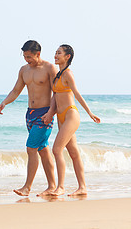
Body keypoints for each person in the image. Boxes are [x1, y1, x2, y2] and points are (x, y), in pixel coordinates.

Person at [0, 40, 57, 196]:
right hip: (30, 115)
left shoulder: (50, 68)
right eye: (24, 56)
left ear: (38, 54)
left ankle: (27, 187)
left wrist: (51, 112)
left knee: (31, 148)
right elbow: (16, 90)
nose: (27, 60)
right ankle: (52, 186)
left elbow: (57, 93)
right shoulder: (24, 70)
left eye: (29, 57)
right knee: (43, 150)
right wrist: (5, 102)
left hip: (45, 114)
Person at [50, 44, 100, 196]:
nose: (55, 55)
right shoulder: (58, 75)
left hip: (71, 114)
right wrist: (50, 113)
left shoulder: (68, 74)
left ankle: (60, 187)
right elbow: (55, 97)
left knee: (56, 149)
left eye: (59, 53)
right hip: (61, 116)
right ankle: (82, 187)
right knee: (73, 152)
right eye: (55, 52)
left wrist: (89, 113)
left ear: (67, 56)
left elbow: (77, 94)